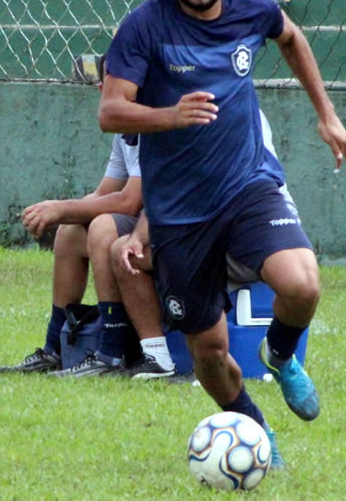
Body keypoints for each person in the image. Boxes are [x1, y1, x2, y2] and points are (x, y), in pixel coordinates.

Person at [97, 0, 346, 465]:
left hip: (246, 186)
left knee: (303, 284)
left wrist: (326, 113)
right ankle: (259, 435)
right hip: (180, 214)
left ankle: (282, 354)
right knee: (210, 354)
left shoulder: (250, 8)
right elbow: (110, 111)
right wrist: (170, 115)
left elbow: (291, 37)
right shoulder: (145, 26)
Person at [112, 110, 298, 382]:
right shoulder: (186, 112)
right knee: (129, 250)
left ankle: (198, 363)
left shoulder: (221, 115)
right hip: (236, 232)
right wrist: (139, 237)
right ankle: (159, 359)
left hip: (254, 234)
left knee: (186, 252)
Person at [0, 56, 143, 374]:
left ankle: (111, 355)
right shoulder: (124, 133)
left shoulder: (156, 122)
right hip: (141, 221)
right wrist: (59, 213)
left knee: (103, 227)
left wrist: (62, 208)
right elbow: (104, 193)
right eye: (107, 85)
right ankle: (55, 349)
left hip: (168, 224)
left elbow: (131, 202)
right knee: (71, 231)